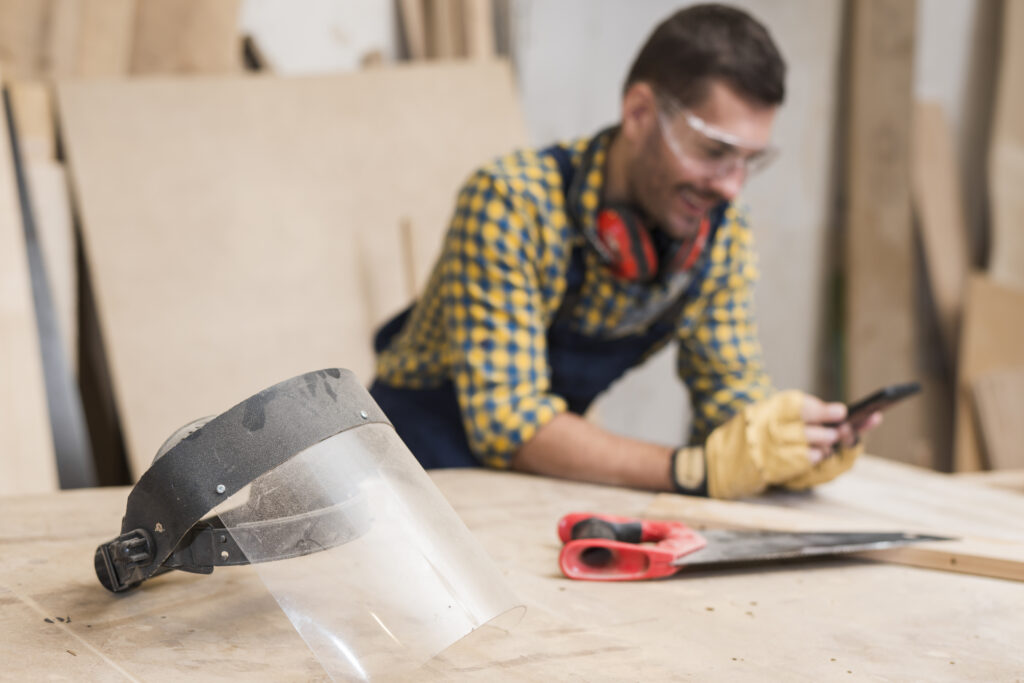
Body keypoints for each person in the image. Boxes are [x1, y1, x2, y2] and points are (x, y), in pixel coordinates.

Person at [369, 3, 881, 499]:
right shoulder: (512, 202)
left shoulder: (719, 230)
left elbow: (729, 392)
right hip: (411, 467)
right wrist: (692, 469)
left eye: (750, 160)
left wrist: (782, 449)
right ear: (638, 113)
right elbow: (510, 421)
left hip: (525, 480)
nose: (732, 188)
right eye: (715, 152)